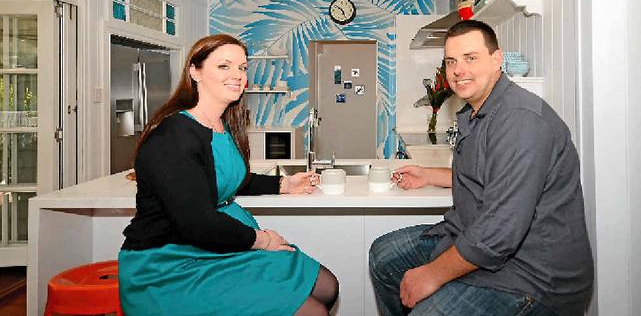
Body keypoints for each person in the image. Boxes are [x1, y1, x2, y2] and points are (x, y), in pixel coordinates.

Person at [369, 20, 593, 316]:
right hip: (478, 240)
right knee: (384, 256)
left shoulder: (520, 122)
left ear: (497, 59)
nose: (458, 70)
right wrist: (428, 175)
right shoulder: (479, 112)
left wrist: (432, 275)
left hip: (533, 275)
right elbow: (489, 177)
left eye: (470, 58)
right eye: (451, 61)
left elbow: (499, 233)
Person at [119, 34, 339, 315]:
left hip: (216, 247)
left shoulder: (221, 125)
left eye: (242, 68)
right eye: (225, 66)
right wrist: (263, 240)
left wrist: (284, 183)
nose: (237, 75)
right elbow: (197, 224)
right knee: (313, 309)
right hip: (169, 265)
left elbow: (228, 178)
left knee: (327, 286)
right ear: (195, 72)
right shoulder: (175, 135)